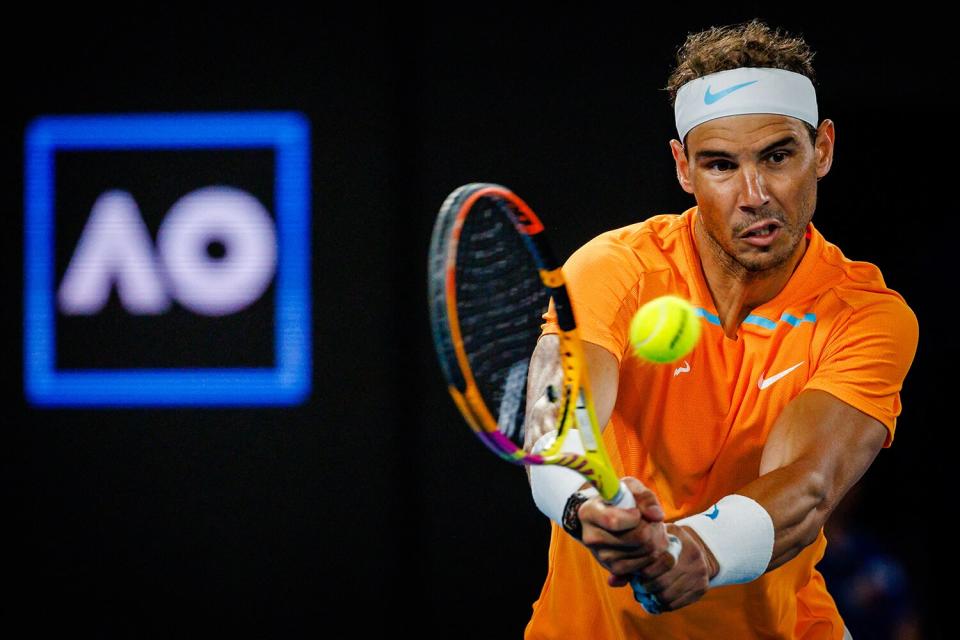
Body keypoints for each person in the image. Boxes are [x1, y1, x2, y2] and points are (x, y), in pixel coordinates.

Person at [521, 19, 919, 640]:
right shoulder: (612, 268)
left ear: (825, 149)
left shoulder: (867, 314)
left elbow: (807, 485)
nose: (754, 194)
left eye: (778, 156)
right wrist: (587, 506)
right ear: (683, 167)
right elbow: (557, 426)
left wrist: (696, 549)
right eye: (720, 165)